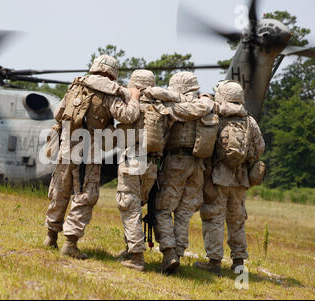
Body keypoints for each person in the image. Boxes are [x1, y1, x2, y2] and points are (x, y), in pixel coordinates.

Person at [43, 55, 141, 259]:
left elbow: (58, 114)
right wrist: (134, 98)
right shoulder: (110, 92)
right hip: (89, 151)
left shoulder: (76, 85)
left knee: (60, 189)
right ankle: (70, 243)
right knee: (85, 194)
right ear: (113, 72)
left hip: (67, 146)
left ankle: (51, 236)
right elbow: (128, 116)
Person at [194, 80, 265, 275]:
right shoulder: (250, 120)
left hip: (217, 177)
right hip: (241, 179)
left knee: (213, 218)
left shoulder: (217, 116)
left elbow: (205, 145)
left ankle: (214, 261)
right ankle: (239, 262)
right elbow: (259, 148)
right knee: (237, 221)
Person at [153, 71, 216, 274]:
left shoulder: (176, 107)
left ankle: (169, 253)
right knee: (184, 213)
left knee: (163, 209)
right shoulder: (208, 106)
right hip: (198, 165)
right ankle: (178, 253)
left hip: (176, 162)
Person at [116, 70, 179, 271]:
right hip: (152, 165)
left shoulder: (130, 103)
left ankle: (136, 257)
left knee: (129, 206)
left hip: (132, 161)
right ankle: (166, 253)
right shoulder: (162, 107)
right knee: (142, 205)